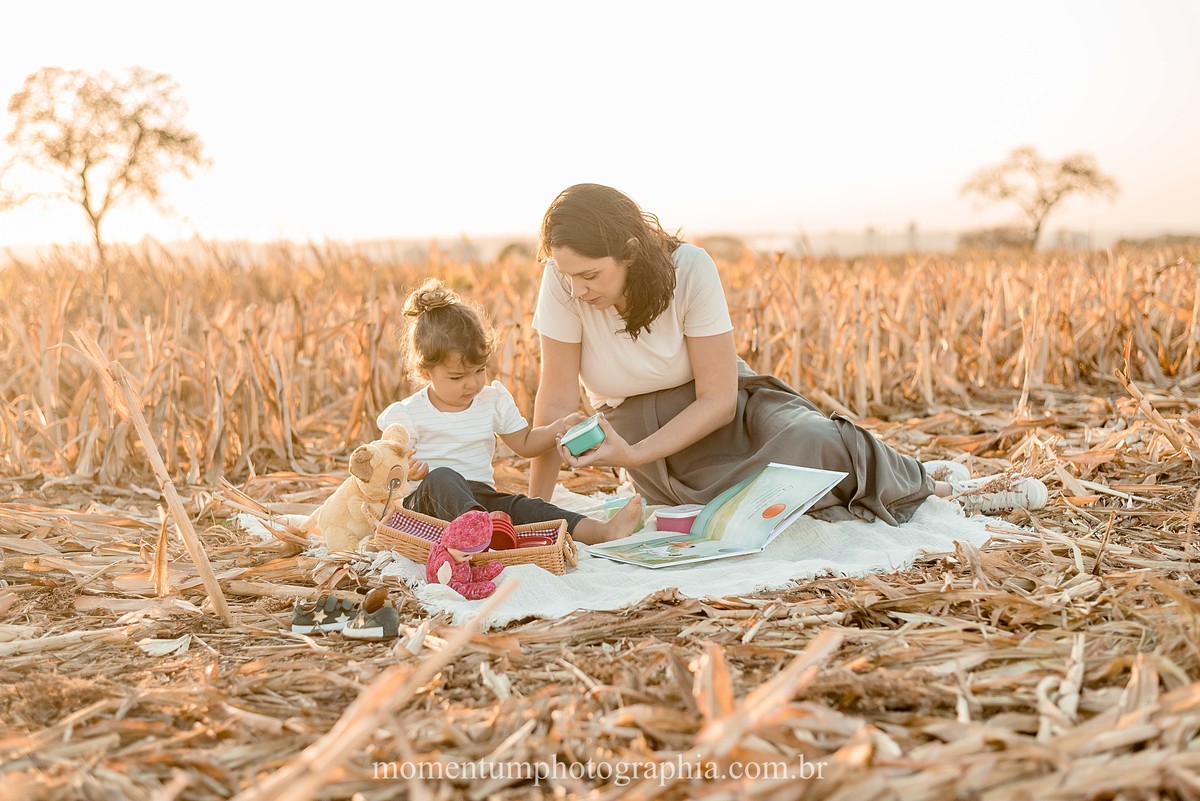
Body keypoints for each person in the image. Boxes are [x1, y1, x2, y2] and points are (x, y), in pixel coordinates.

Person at [528, 183, 1047, 523]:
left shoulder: (690, 268)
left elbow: (718, 401)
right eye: (566, 275)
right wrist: (537, 507)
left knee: (812, 441)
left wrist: (631, 458)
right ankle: (911, 477)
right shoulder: (563, 281)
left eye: (589, 275)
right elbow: (553, 406)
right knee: (742, 509)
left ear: (631, 253)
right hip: (646, 436)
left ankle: (939, 491)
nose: (577, 290)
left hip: (723, 411)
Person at [377, 278, 644, 545]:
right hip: (428, 506)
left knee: (526, 507)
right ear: (426, 372)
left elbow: (525, 444)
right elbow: (384, 468)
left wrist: (558, 427)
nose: (471, 383)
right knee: (443, 476)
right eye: (457, 377)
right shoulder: (408, 415)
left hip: (480, 499)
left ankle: (601, 531)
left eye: (479, 370)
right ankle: (481, 531)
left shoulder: (491, 400)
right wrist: (406, 471)